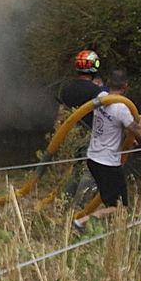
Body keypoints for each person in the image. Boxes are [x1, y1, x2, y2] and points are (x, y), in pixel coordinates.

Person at [70, 68, 141, 232]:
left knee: (109, 200)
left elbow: (114, 125)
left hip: (93, 158)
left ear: (109, 83)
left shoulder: (101, 97)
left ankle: (107, 230)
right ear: (125, 86)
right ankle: (81, 222)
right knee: (120, 207)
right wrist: (140, 119)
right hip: (108, 163)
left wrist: (127, 138)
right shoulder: (122, 108)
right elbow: (139, 132)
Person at [57, 49, 106, 203]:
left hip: (72, 136)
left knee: (76, 170)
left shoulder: (67, 90)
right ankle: (81, 206)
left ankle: (66, 203)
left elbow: (61, 114)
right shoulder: (96, 91)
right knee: (90, 172)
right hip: (90, 136)